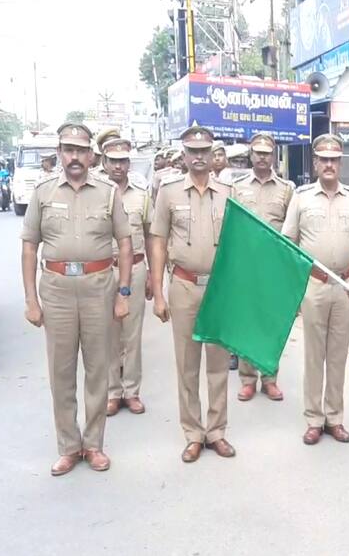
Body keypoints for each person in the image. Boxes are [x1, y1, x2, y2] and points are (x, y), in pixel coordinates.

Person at [20, 123, 132, 476]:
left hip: (99, 286)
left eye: (80, 150)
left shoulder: (108, 193)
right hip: (56, 290)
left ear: (90, 155)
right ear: (59, 152)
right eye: (68, 149)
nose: (74, 156)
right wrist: (30, 299)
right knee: (61, 370)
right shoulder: (42, 193)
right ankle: (69, 446)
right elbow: (29, 246)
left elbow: (125, 243)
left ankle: (94, 444)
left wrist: (123, 292)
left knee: (99, 368)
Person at [150, 125, 236, 463]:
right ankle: (193, 433)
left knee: (217, 364)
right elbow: (157, 242)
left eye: (204, 151)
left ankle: (216, 431)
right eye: (192, 151)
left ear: (212, 155)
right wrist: (158, 292)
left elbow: (238, 244)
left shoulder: (229, 191)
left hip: (217, 288)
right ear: (184, 155)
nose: (198, 157)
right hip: (183, 285)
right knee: (187, 364)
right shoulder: (168, 192)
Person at [282, 134, 349, 445]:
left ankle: (334, 417)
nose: (329, 164)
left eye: (334, 159)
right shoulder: (301, 198)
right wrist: (293, 290)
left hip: (346, 286)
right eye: (324, 159)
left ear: (340, 163)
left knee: (338, 356)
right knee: (313, 355)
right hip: (314, 286)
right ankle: (313, 419)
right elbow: (288, 245)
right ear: (315, 163)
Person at [231, 132, 295, 401]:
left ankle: (270, 377)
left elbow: (293, 229)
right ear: (250, 154)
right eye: (257, 152)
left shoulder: (286, 189)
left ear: (274, 155)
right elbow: (231, 226)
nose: (261, 157)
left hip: (274, 266)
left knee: (271, 323)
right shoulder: (238, 186)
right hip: (246, 265)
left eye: (266, 153)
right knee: (246, 321)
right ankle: (247, 379)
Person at [101, 138, 153, 417]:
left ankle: (131, 392)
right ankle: (113, 392)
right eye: (113, 161)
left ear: (128, 164)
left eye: (123, 161)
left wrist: (152, 277)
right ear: (104, 163)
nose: (118, 166)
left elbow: (149, 235)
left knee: (132, 335)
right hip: (104, 270)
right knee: (110, 334)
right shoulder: (97, 193)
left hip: (134, 267)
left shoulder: (142, 196)